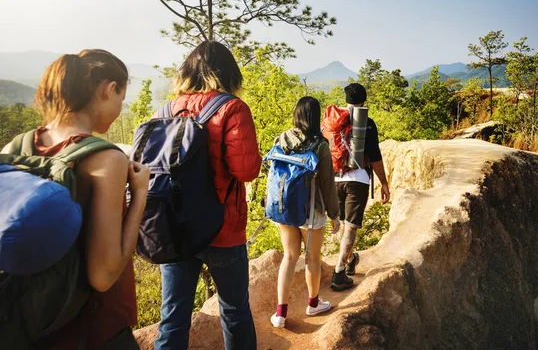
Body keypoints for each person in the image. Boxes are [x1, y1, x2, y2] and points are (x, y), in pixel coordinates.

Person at [0, 49, 150, 349]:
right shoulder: (106, 159)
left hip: (27, 323)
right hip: (92, 329)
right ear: (109, 89)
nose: (121, 106)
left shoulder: (15, 147)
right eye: (122, 98)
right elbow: (103, 276)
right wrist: (140, 195)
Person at [155, 41, 262, 350]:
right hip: (222, 227)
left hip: (174, 227)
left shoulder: (164, 110)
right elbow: (245, 171)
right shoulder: (232, 108)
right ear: (229, 73)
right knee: (234, 310)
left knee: (172, 316)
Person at [269, 97, 341, 328]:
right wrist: (334, 214)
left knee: (289, 257)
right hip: (312, 210)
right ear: (315, 116)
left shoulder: (281, 139)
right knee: (312, 257)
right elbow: (328, 184)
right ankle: (313, 303)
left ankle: (280, 314)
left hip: (285, 207)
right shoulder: (319, 145)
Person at [330, 83, 390, 291]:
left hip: (334, 177)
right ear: (364, 101)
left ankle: (348, 261)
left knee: (341, 223)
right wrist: (384, 183)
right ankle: (339, 272)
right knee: (351, 226)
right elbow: (374, 157)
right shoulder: (367, 124)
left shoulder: (334, 121)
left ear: (345, 99)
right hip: (358, 180)